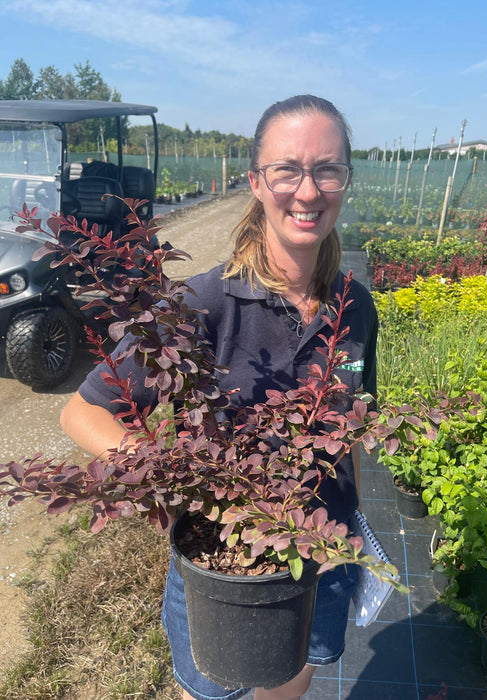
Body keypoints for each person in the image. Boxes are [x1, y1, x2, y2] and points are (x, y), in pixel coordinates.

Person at [60, 94, 378, 700]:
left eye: (327, 169)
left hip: (321, 556)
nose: (307, 191)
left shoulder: (354, 305)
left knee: (290, 685)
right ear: (257, 181)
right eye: (287, 169)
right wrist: (175, 482)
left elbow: (353, 429)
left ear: (345, 180)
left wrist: (353, 525)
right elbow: (81, 411)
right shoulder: (203, 305)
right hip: (224, 561)